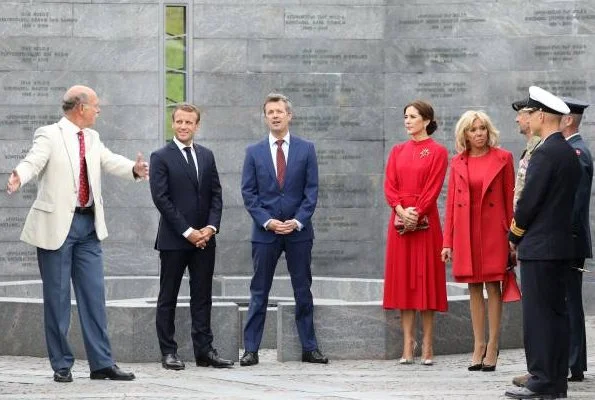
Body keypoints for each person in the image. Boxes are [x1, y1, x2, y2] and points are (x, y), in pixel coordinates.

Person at [5, 85, 148, 382]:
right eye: (95, 105)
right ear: (81, 107)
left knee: (94, 297)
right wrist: (20, 174)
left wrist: (134, 169)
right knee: (57, 299)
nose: (99, 110)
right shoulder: (49, 134)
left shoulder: (93, 138)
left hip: (88, 227)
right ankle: (61, 364)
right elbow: (35, 160)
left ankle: (102, 363)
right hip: (57, 228)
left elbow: (108, 160)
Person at [504, 86, 581, 400]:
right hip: (556, 246)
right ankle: (554, 381)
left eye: (530, 112)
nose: (527, 118)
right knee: (554, 315)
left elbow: (528, 202)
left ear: (541, 116)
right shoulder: (563, 151)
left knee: (540, 317)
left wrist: (513, 236)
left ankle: (542, 380)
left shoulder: (546, 152)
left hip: (541, 248)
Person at [240, 93, 327, 366]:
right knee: (259, 291)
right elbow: (249, 193)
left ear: (289, 115)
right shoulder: (253, 152)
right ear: (265, 117)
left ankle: (309, 348)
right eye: (270, 112)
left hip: (299, 232)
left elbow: (311, 192)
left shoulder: (306, 149)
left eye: (280, 111)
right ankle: (251, 350)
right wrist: (267, 221)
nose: (275, 116)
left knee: (303, 290)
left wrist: (298, 221)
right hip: (265, 233)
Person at [149, 104, 233, 370]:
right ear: (172, 124)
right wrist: (188, 232)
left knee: (202, 296)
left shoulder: (207, 156)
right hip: (175, 240)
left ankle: (205, 351)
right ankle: (169, 352)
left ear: (197, 125)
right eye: (179, 121)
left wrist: (211, 228)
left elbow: (216, 195)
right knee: (168, 296)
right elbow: (162, 199)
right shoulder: (160, 156)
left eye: (189, 122)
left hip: (205, 241)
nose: (184, 126)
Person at [441, 111, 514, 372]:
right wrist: (447, 241)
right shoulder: (457, 162)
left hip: (494, 231)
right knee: (473, 287)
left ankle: (493, 345)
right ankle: (478, 345)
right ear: (465, 134)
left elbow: (509, 199)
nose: (479, 133)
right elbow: (450, 206)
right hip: (466, 232)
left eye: (482, 128)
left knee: (494, 286)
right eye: (473, 130)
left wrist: (512, 237)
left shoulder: (503, 158)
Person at [383, 100, 448, 366]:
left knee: (426, 282)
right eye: (405, 116)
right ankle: (408, 343)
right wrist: (401, 211)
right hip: (399, 224)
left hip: (426, 224)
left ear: (426, 120)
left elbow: (433, 188)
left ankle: (428, 344)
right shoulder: (397, 151)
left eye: (412, 116)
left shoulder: (438, 151)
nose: (407, 121)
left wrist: (416, 213)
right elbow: (389, 186)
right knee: (404, 283)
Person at [560, 97, 592, 382]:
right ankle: (573, 362)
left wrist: (563, 236)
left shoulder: (577, 152)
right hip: (569, 239)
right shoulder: (571, 150)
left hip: (569, 240)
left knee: (570, 302)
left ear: (568, 119)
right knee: (568, 301)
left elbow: (576, 203)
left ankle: (574, 363)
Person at [511, 98, 542, 210]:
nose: (516, 119)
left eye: (519, 114)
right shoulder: (531, 147)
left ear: (530, 117)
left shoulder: (540, 148)